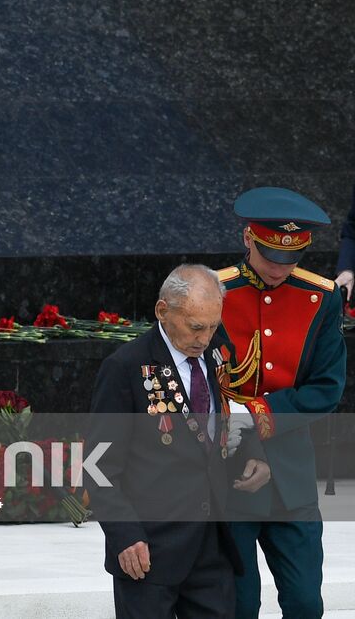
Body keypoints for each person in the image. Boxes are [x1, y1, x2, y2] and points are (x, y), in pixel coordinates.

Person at [89, 264, 270, 618]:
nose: (204, 338)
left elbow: (231, 409)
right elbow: (98, 466)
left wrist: (252, 451)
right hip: (148, 551)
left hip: (212, 548)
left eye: (213, 326)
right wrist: (124, 535)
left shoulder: (218, 351)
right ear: (163, 311)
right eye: (195, 326)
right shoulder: (126, 368)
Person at [220, 187, 348, 619]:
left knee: (305, 602)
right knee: (237, 604)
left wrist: (258, 415)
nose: (279, 269)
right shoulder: (212, 292)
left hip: (291, 472)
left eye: (290, 260)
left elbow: (326, 388)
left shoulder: (323, 297)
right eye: (270, 256)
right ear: (247, 240)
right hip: (225, 470)